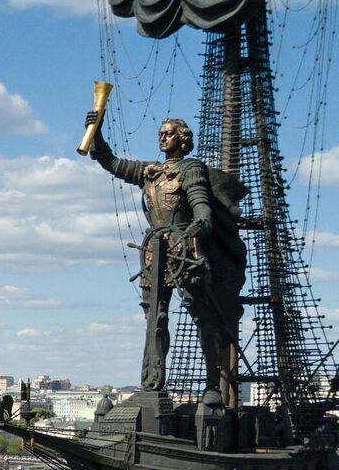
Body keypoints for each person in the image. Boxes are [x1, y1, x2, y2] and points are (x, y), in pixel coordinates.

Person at [84, 113, 247, 406]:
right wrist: (95, 133)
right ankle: (152, 384)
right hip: (153, 253)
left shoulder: (191, 170)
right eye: (160, 132)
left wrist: (196, 228)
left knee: (203, 319)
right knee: (154, 319)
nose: (162, 137)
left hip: (186, 253)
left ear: (182, 140)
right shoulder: (151, 172)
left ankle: (212, 386)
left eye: (169, 133)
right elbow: (112, 163)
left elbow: (202, 212)